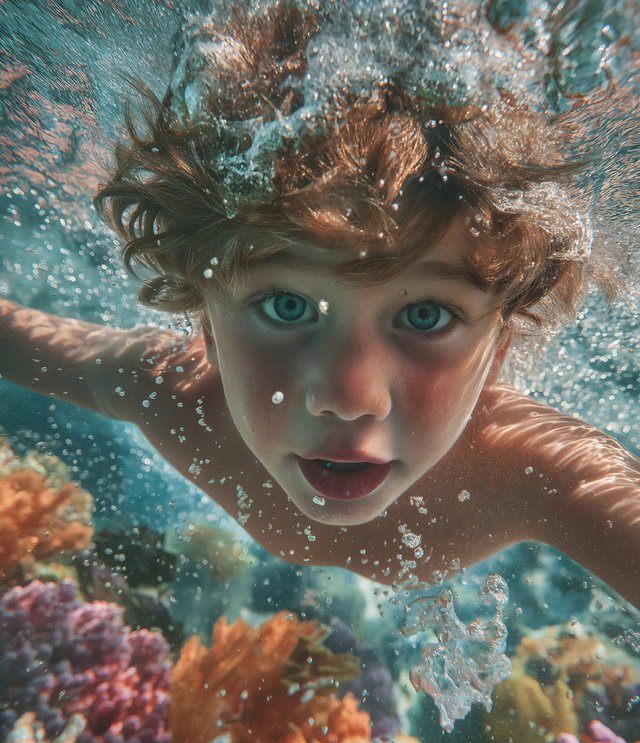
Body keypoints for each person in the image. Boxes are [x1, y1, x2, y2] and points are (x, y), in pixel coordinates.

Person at [1, 2, 638, 606]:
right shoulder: (175, 395)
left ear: (497, 350)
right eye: (286, 306)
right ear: (207, 327)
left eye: (426, 315)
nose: (349, 397)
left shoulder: (537, 470)